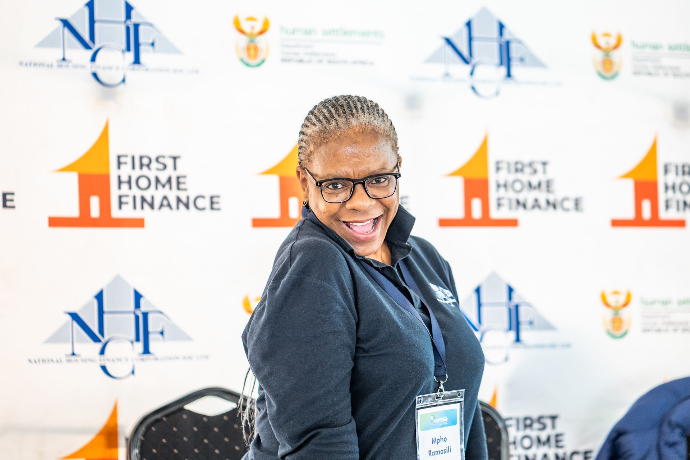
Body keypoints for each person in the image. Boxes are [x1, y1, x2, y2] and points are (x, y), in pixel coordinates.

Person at [241, 95, 487, 459]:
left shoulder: (425, 258)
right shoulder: (314, 263)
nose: (361, 202)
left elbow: (466, 411)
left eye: (379, 179)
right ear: (305, 183)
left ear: (398, 169)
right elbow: (319, 443)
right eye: (336, 185)